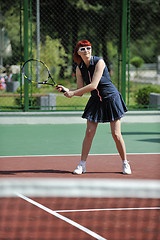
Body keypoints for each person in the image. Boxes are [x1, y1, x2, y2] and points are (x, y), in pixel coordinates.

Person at [56, 40, 131, 175]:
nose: (86, 51)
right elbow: (80, 91)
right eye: (83, 49)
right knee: (89, 133)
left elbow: (93, 85)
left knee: (116, 134)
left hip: (111, 99)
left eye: (88, 48)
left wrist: (72, 93)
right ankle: (82, 165)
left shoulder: (99, 62)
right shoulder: (79, 68)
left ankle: (125, 162)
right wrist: (68, 90)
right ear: (78, 53)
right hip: (96, 101)